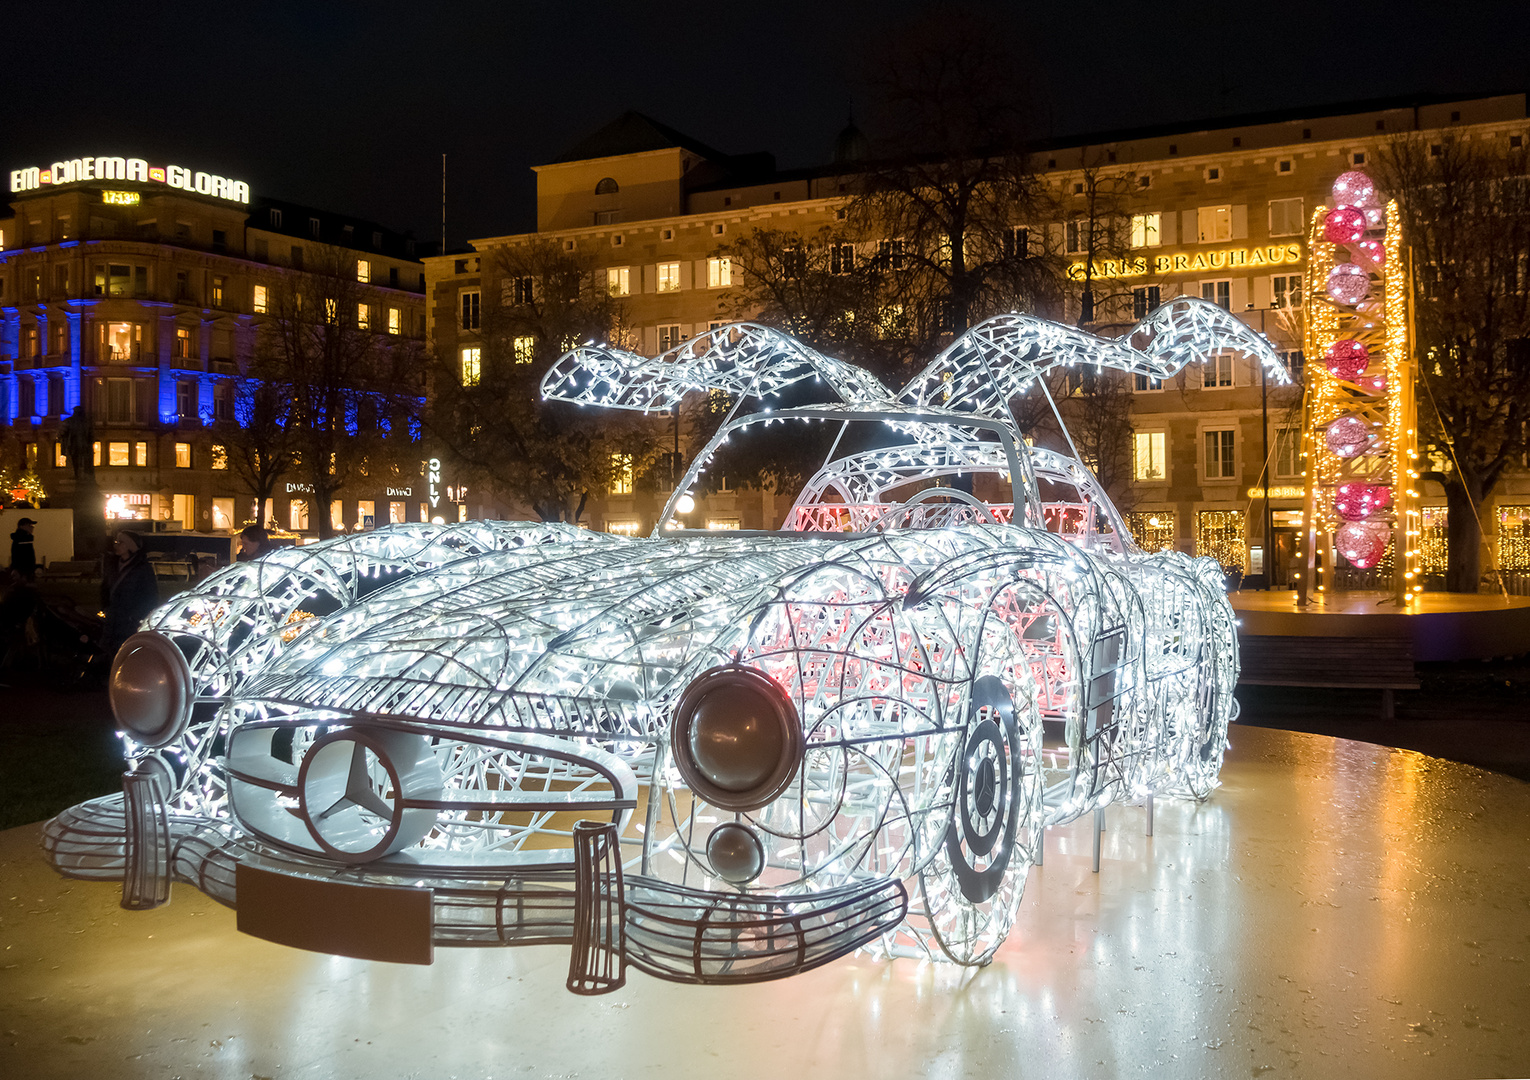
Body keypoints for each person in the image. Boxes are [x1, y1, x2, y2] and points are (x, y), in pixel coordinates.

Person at [101, 530, 160, 656]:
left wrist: (135, 616)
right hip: (112, 619)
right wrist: (105, 607)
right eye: (116, 542)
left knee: (127, 651)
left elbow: (150, 595)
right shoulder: (112, 565)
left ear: (130, 546)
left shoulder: (142, 568)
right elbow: (105, 588)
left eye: (120, 542)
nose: (116, 545)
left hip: (129, 622)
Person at [9, 517, 38, 581]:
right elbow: (25, 557)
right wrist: (25, 573)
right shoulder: (23, 539)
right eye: (29, 525)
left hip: (22, 571)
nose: (32, 528)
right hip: (23, 572)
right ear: (22, 526)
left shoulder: (20, 538)